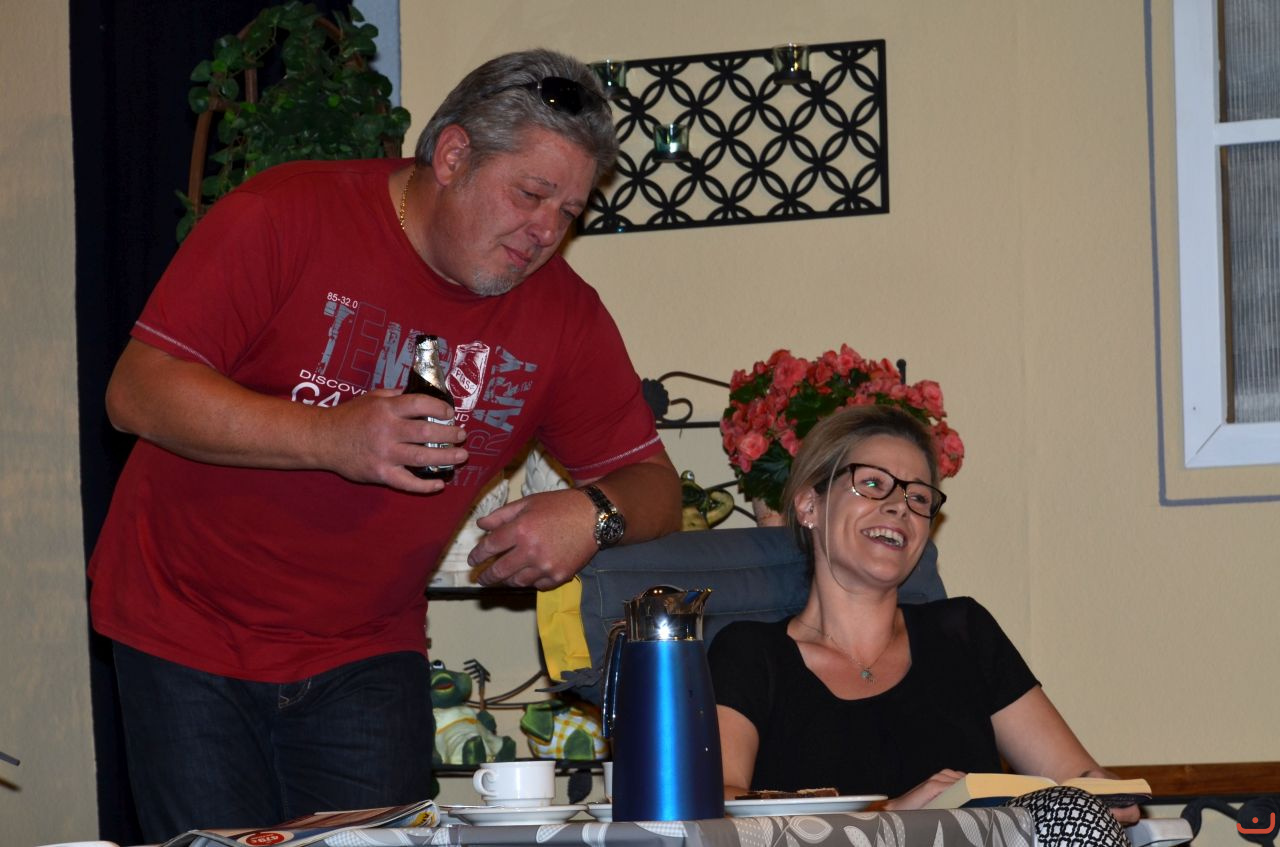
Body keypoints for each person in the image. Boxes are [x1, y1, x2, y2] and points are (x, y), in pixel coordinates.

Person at [88, 48, 681, 840]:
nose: (546, 232)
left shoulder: (563, 315)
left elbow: (655, 484)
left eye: (568, 211)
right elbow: (136, 391)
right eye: (531, 193)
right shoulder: (284, 214)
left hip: (366, 646)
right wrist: (329, 434)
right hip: (187, 624)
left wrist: (593, 513)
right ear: (453, 155)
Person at [708, 405, 1135, 845]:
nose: (899, 507)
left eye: (918, 498)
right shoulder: (750, 653)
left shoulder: (964, 633)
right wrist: (888, 817)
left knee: (1078, 813)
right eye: (872, 484)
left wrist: (1104, 791)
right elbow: (717, 803)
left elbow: (1076, 779)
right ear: (808, 505)